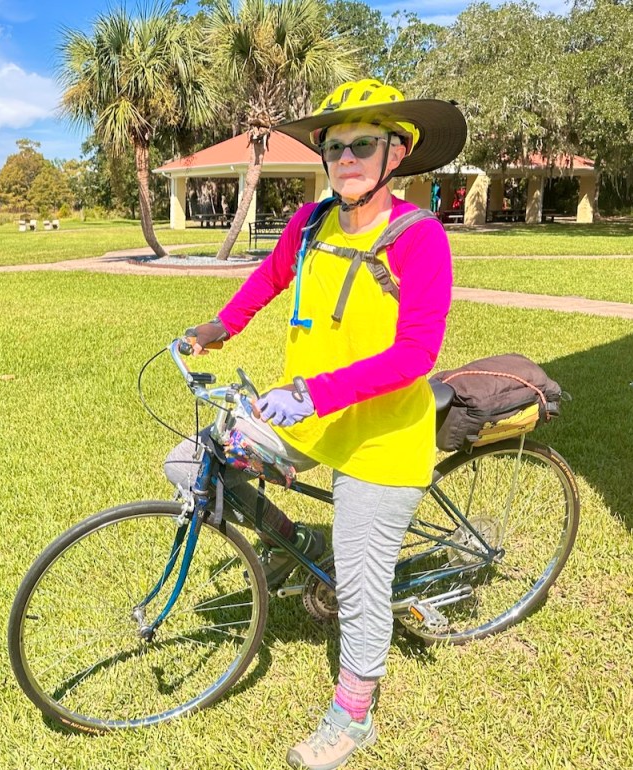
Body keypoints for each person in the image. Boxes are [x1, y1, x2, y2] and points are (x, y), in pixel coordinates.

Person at [165, 79, 467, 770]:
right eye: (334, 146)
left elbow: (417, 353)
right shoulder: (311, 222)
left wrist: (315, 393)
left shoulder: (420, 240)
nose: (346, 157)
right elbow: (270, 278)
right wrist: (220, 327)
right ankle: (298, 545)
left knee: (362, 591)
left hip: (380, 435)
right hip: (309, 417)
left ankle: (353, 718)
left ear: (400, 152)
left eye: (363, 144)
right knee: (192, 463)